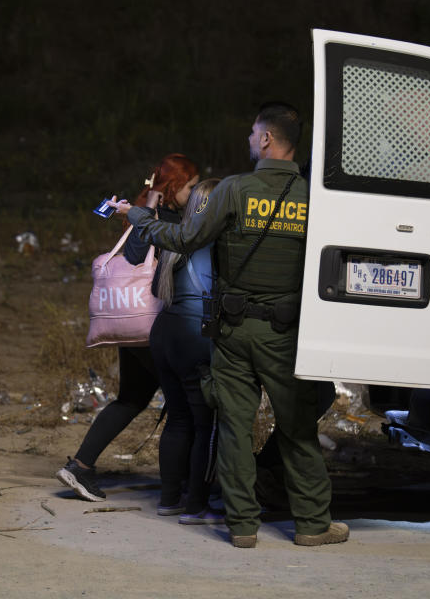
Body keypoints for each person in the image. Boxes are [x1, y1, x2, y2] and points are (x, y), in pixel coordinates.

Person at [109, 103, 349, 548]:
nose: (247, 140)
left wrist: (141, 217)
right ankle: (313, 525)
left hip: (235, 331)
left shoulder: (235, 190)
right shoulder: (315, 197)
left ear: (265, 140)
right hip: (287, 334)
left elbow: (184, 239)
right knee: (296, 430)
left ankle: (242, 527)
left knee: (235, 429)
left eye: (252, 133)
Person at [56, 154, 199, 502]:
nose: (195, 194)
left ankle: (80, 466)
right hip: (150, 324)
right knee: (186, 406)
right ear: (175, 186)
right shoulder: (163, 220)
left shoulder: (141, 213)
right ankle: (181, 488)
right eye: (192, 187)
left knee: (132, 398)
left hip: (130, 322)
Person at [147, 178, 223, 524]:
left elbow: (156, 289)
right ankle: (196, 506)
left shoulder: (174, 240)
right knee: (206, 425)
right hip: (195, 337)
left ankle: (169, 499)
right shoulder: (217, 244)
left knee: (178, 418)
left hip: (164, 334)